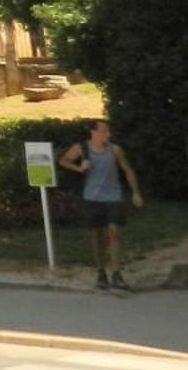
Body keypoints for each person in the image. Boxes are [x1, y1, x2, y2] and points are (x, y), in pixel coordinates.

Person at [60, 118, 143, 291]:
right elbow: (64, 160)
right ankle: (101, 272)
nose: (108, 134)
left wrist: (135, 192)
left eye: (108, 131)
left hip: (113, 197)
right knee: (97, 237)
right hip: (92, 198)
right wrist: (79, 168)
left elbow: (127, 170)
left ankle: (117, 274)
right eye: (104, 131)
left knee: (113, 233)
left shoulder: (115, 150)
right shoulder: (81, 148)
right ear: (94, 132)